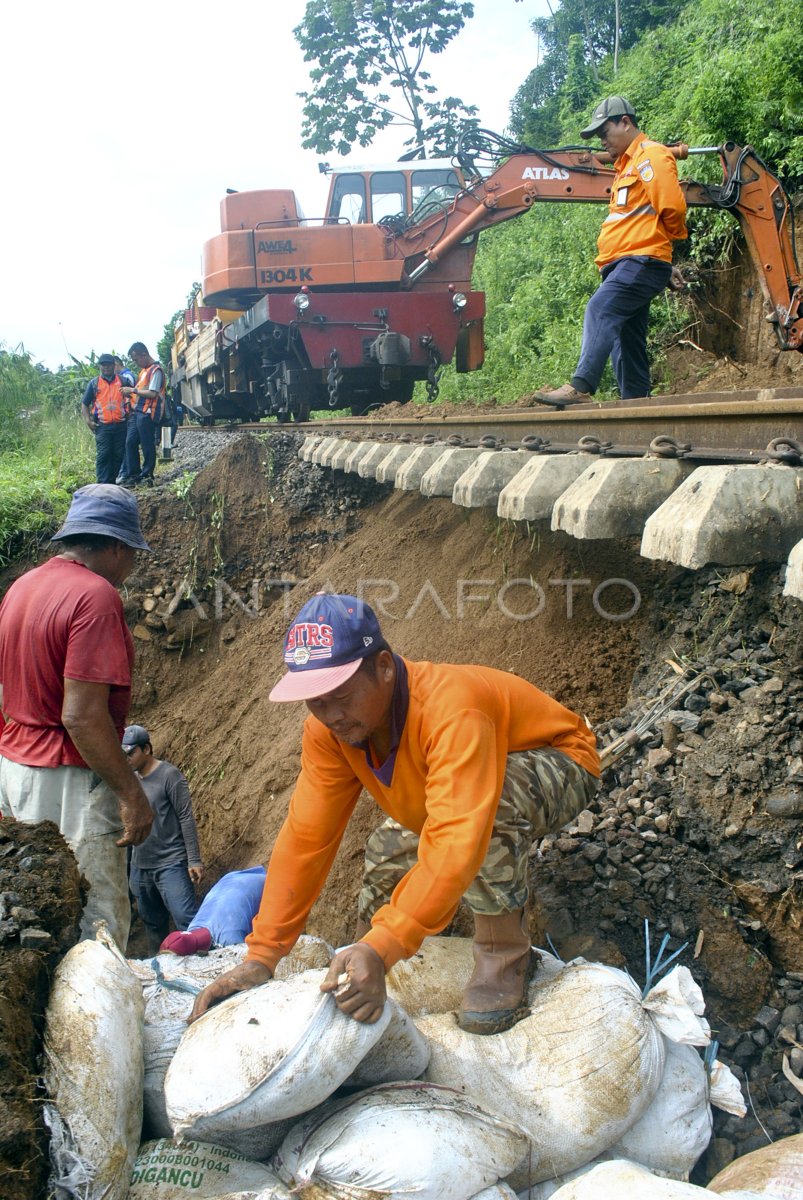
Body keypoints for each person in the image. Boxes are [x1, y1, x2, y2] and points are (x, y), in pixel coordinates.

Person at [190, 593, 599, 1035]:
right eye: (316, 702)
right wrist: (263, 955)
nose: (331, 715)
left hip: (558, 761)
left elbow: (457, 837)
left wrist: (385, 946)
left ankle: (505, 955)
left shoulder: (450, 708)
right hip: (460, 785)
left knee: (489, 814)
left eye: (341, 695)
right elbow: (308, 837)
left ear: (384, 667)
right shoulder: (331, 732)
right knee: (387, 846)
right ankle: (367, 958)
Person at [0, 485, 154, 949]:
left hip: (14, 770)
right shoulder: (96, 597)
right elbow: (82, 717)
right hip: (69, 780)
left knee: (34, 918)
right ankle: (98, 1021)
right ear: (113, 545)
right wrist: (132, 794)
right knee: (97, 925)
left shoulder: (22, 587)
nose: (129, 568)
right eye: (130, 554)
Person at [534, 96, 687, 409]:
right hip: (632, 262)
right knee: (626, 341)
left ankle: (581, 384)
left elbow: (671, 206)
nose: (603, 140)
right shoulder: (626, 167)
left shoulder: (650, 156)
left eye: (605, 131)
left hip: (640, 260)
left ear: (626, 123)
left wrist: (659, 255)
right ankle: (637, 406)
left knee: (600, 309)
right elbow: (638, 218)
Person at [122, 724, 204, 955]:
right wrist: (128, 868)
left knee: (185, 919)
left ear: (146, 748)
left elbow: (186, 817)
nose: (126, 759)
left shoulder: (169, 775)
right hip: (141, 866)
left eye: (131, 753)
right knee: (152, 923)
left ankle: (203, 964)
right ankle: (158, 967)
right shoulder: (129, 779)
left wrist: (194, 860)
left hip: (171, 863)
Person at [160, 866, 267, 955]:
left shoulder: (229, 938)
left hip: (266, 885)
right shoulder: (193, 928)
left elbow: (247, 959)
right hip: (234, 878)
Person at [80, 354, 130, 484]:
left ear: (114, 366)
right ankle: (102, 483)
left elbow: (132, 399)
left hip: (121, 425)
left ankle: (111, 482)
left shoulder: (123, 381)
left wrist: (130, 415)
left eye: (108, 364)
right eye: (103, 365)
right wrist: (88, 421)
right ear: (100, 366)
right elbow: (85, 404)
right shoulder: (94, 383)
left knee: (118, 454)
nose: (106, 367)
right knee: (104, 454)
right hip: (102, 426)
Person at [120, 342, 165, 486]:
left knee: (147, 444)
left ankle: (147, 475)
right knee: (130, 442)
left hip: (147, 413)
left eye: (136, 359)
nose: (136, 363)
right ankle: (134, 474)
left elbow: (152, 393)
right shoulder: (143, 371)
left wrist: (132, 390)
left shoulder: (156, 370)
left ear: (143, 354)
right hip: (136, 412)